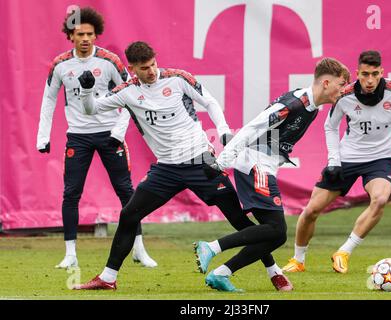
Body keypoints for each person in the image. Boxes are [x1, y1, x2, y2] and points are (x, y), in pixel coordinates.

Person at [72, 41, 288, 291]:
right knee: (129, 214)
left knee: (238, 220)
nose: (151, 71)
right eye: (144, 68)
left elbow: (211, 102)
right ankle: (108, 278)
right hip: (166, 169)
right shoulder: (126, 91)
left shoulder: (177, 79)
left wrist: (224, 132)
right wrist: (86, 90)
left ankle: (275, 272)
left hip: (201, 162)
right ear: (132, 68)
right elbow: (90, 110)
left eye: (153, 64)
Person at [195, 58, 350, 292]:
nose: (343, 89)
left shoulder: (313, 107)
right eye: (341, 84)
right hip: (256, 164)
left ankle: (223, 273)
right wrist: (222, 162)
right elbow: (252, 128)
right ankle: (213, 248)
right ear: (326, 82)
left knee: (274, 233)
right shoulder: (294, 103)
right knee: (276, 230)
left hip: (264, 165)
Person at [283, 50, 391, 274]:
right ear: (357, 73)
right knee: (312, 210)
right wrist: (334, 160)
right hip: (347, 158)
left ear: (382, 72)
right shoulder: (345, 95)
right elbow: (330, 126)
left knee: (380, 200)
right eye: (364, 74)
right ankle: (298, 260)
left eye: (374, 74)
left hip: (380, 160)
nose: (369, 80)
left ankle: (344, 252)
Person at [36, 7, 156, 269]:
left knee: (127, 192)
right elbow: (49, 99)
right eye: (79, 33)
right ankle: (70, 254)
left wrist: (118, 131)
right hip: (78, 137)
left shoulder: (109, 61)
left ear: (96, 34)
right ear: (70, 36)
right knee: (71, 193)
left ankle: (139, 249)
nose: (85, 38)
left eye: (90, 33)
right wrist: (42, 136)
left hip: (109, 135)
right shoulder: (60, 65)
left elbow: (132, 96)